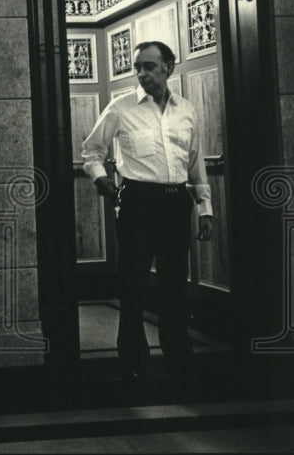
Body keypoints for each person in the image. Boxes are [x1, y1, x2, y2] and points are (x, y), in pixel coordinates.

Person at [81, 40, 214, 382]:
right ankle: (133, 359)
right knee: (133, 284)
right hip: (137, 201)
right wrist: (102, 181)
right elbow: (91, 151)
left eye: (150, 67)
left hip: (175, 203)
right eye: (138, 67)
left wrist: (205, 207)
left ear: (168, 68)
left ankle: (178, 356)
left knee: (173, 285)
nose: (142, 74)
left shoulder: (186, 109)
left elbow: (195, 160)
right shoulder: (120, 108)